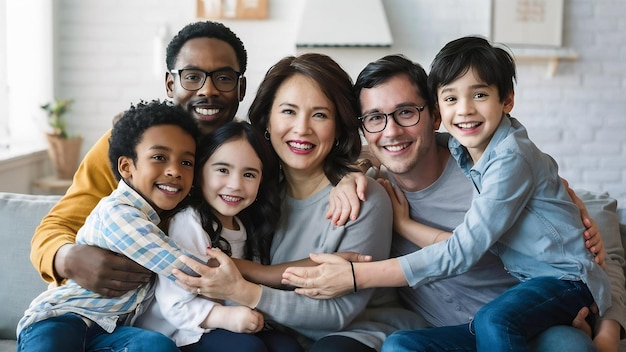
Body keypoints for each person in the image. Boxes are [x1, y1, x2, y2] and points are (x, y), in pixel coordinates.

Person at [281, 52, 625, 351]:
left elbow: (595, 254)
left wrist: (608, 331)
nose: (391, 131)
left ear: (433, 114)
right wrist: (353, 171)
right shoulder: (371, 193)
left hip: (526, 327)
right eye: (375, 118)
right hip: (452, 335)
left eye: (406, 113)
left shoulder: (492, 172)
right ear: (363, 127)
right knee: (398, 346)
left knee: (568, 344)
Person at [170, 53, 424, 352]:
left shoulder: (361, 198)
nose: (302, 129)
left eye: (320, 115)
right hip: (276, 333)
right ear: (266, 120)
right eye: (289, 111)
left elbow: (337, 315)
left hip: (355, 334)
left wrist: (243, 289)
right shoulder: (250, 190)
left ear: (339, 126)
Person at [30, 20, 249, 298]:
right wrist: (68, 258)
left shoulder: (249, 153)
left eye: (224, 78)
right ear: (171, 84)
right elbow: (56, 226)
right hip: (113, 316)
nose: (208, 91)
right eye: (192, 77)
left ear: (241, 88)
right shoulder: (128, 144)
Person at [17, 100, 204, 351]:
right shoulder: (119, 214)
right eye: (159, 157)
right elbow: (181, 266)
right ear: (126, 166)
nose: (174, 171)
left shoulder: (159, 214)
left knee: (157, 346)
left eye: (186, 162)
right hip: (63, 318)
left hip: (111, 329)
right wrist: (244, 275)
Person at [135, 121, 303, 352]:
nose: (235, 185)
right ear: (200, 172)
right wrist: (227, 317)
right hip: (182, 329)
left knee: (288, 347)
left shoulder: (246, 224)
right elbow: (175, 306)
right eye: (223, 170)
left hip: (230, 321)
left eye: (249, 174)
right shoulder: (188, 222)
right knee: (247, 349)